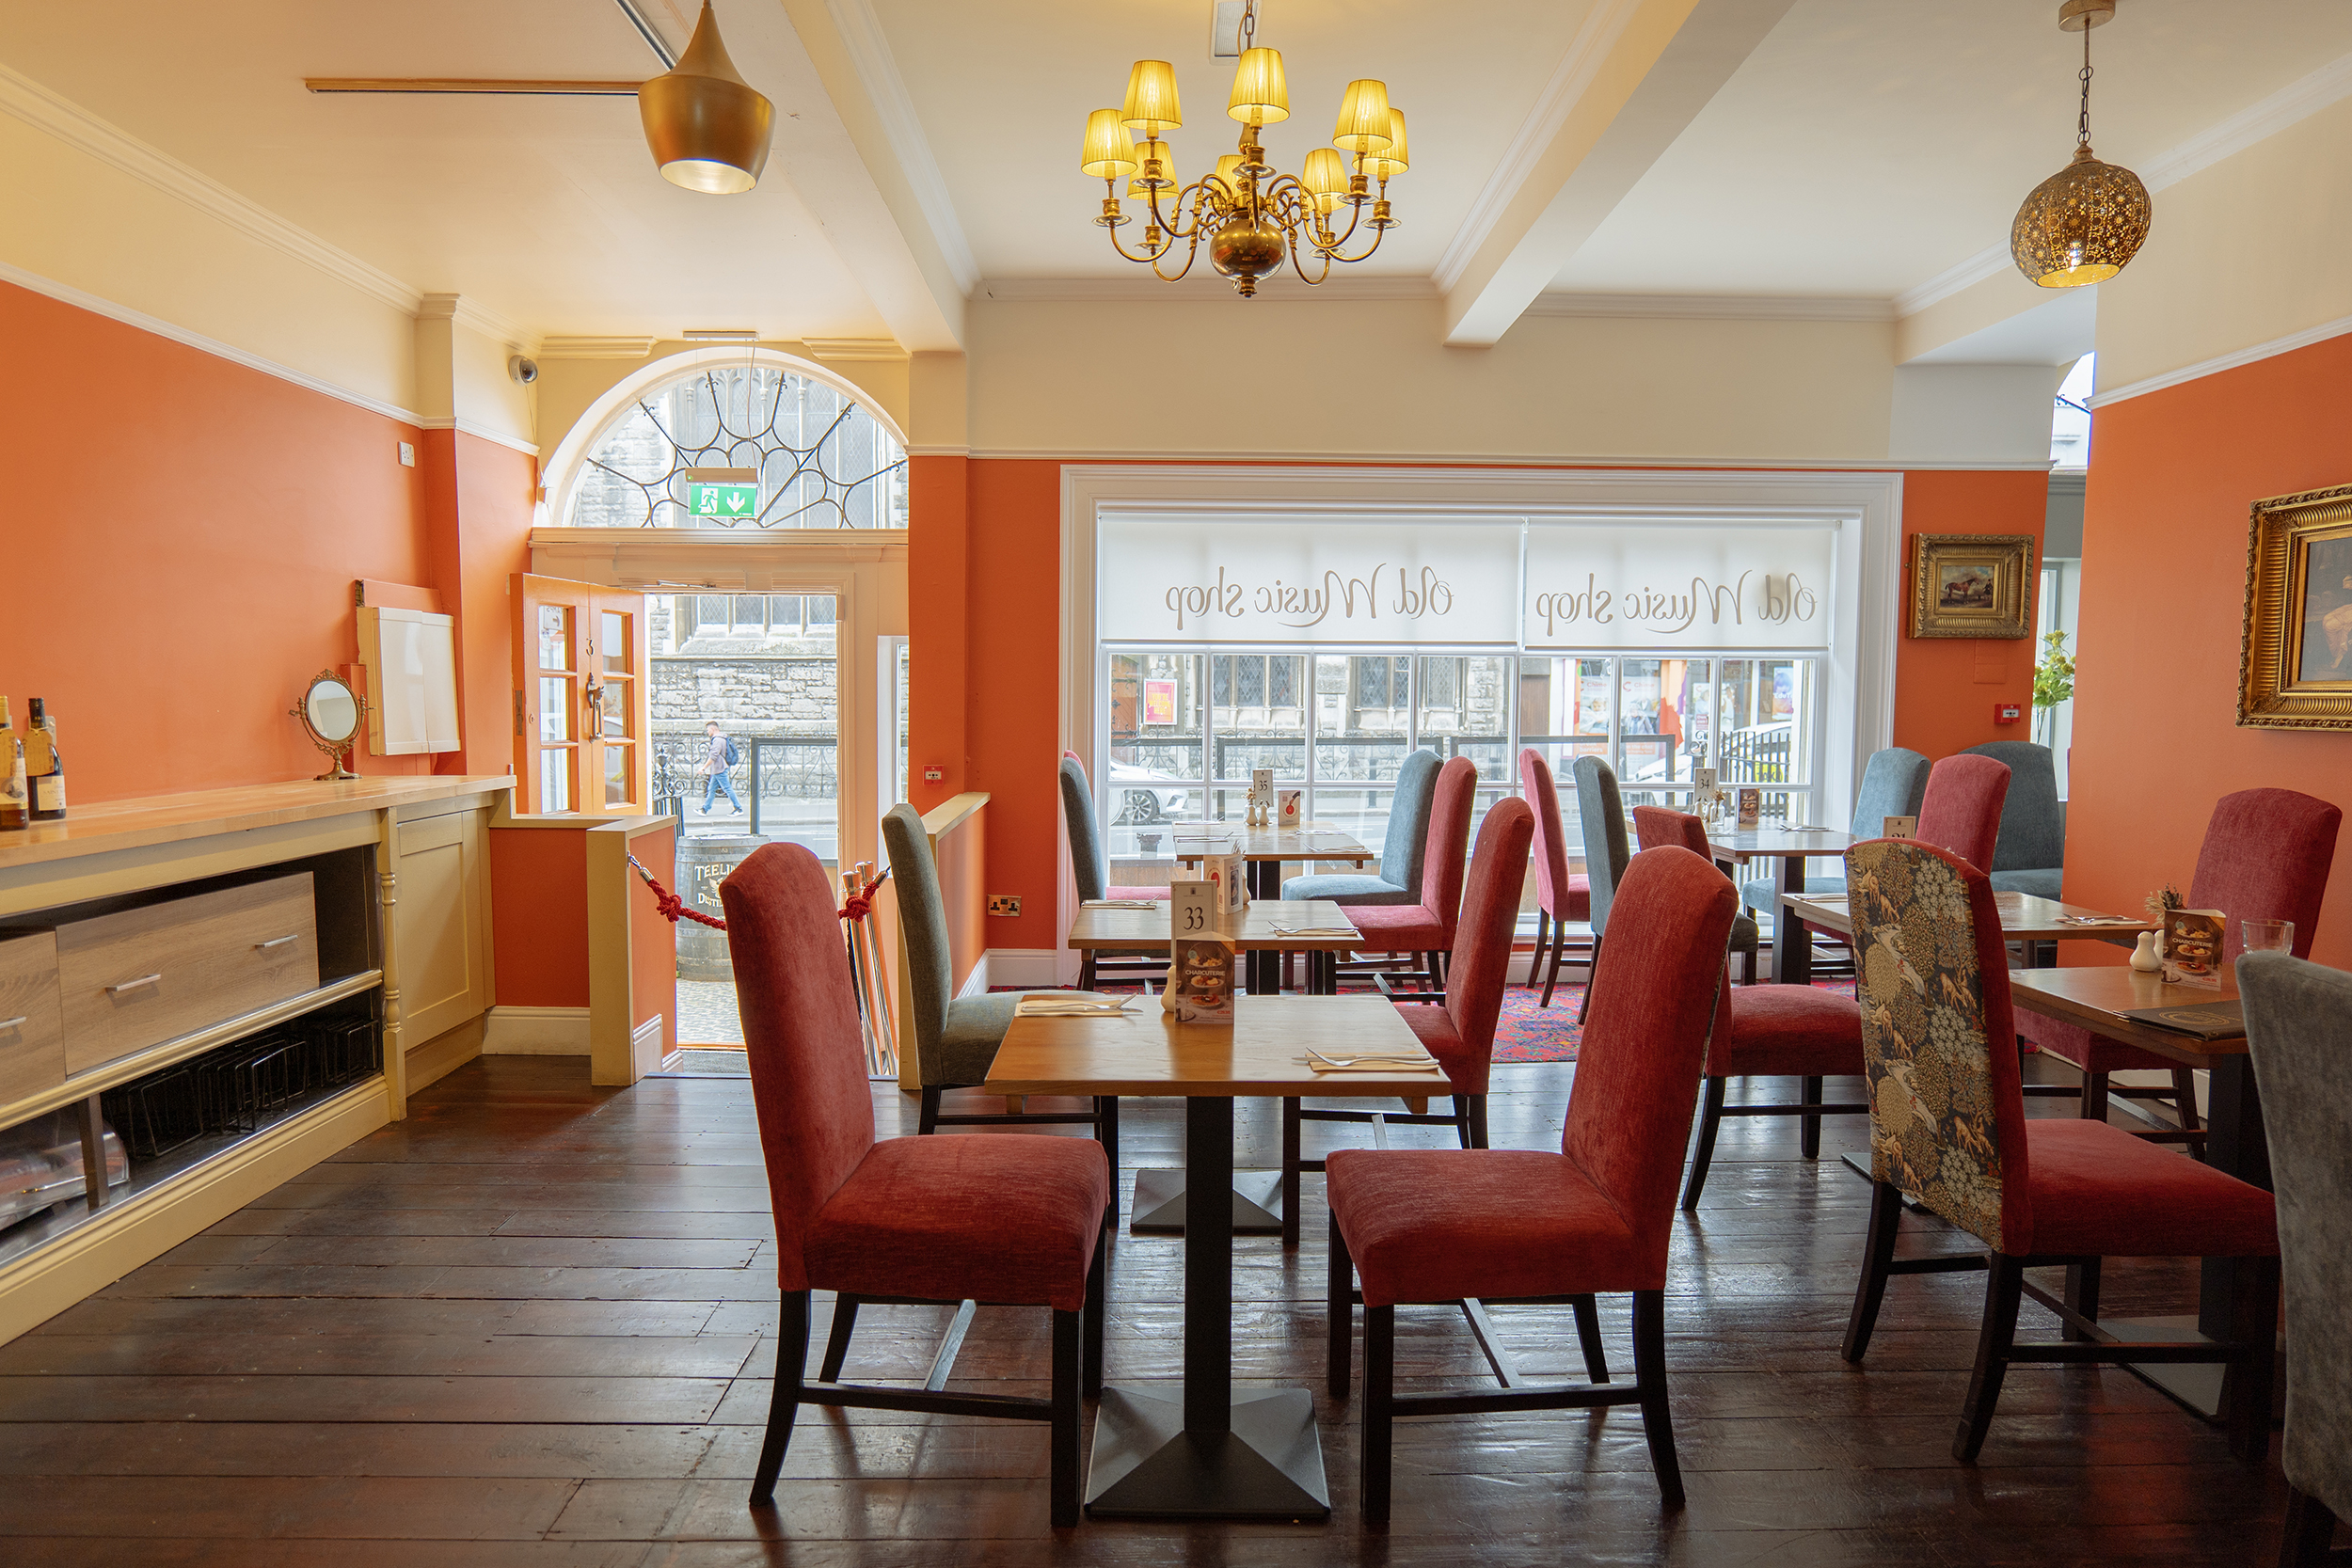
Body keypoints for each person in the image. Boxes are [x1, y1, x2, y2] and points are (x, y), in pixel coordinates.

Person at [699, 721, 744, 815]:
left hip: (720, 768)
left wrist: (703, 768)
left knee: (727, 788)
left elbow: (713, 756)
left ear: (712, 729)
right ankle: (704, 809)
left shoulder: (718, 740)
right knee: (711, 789)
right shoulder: (721, 738)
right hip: (717, 769)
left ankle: (738, 808)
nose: (708, 732)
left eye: (708, 730)